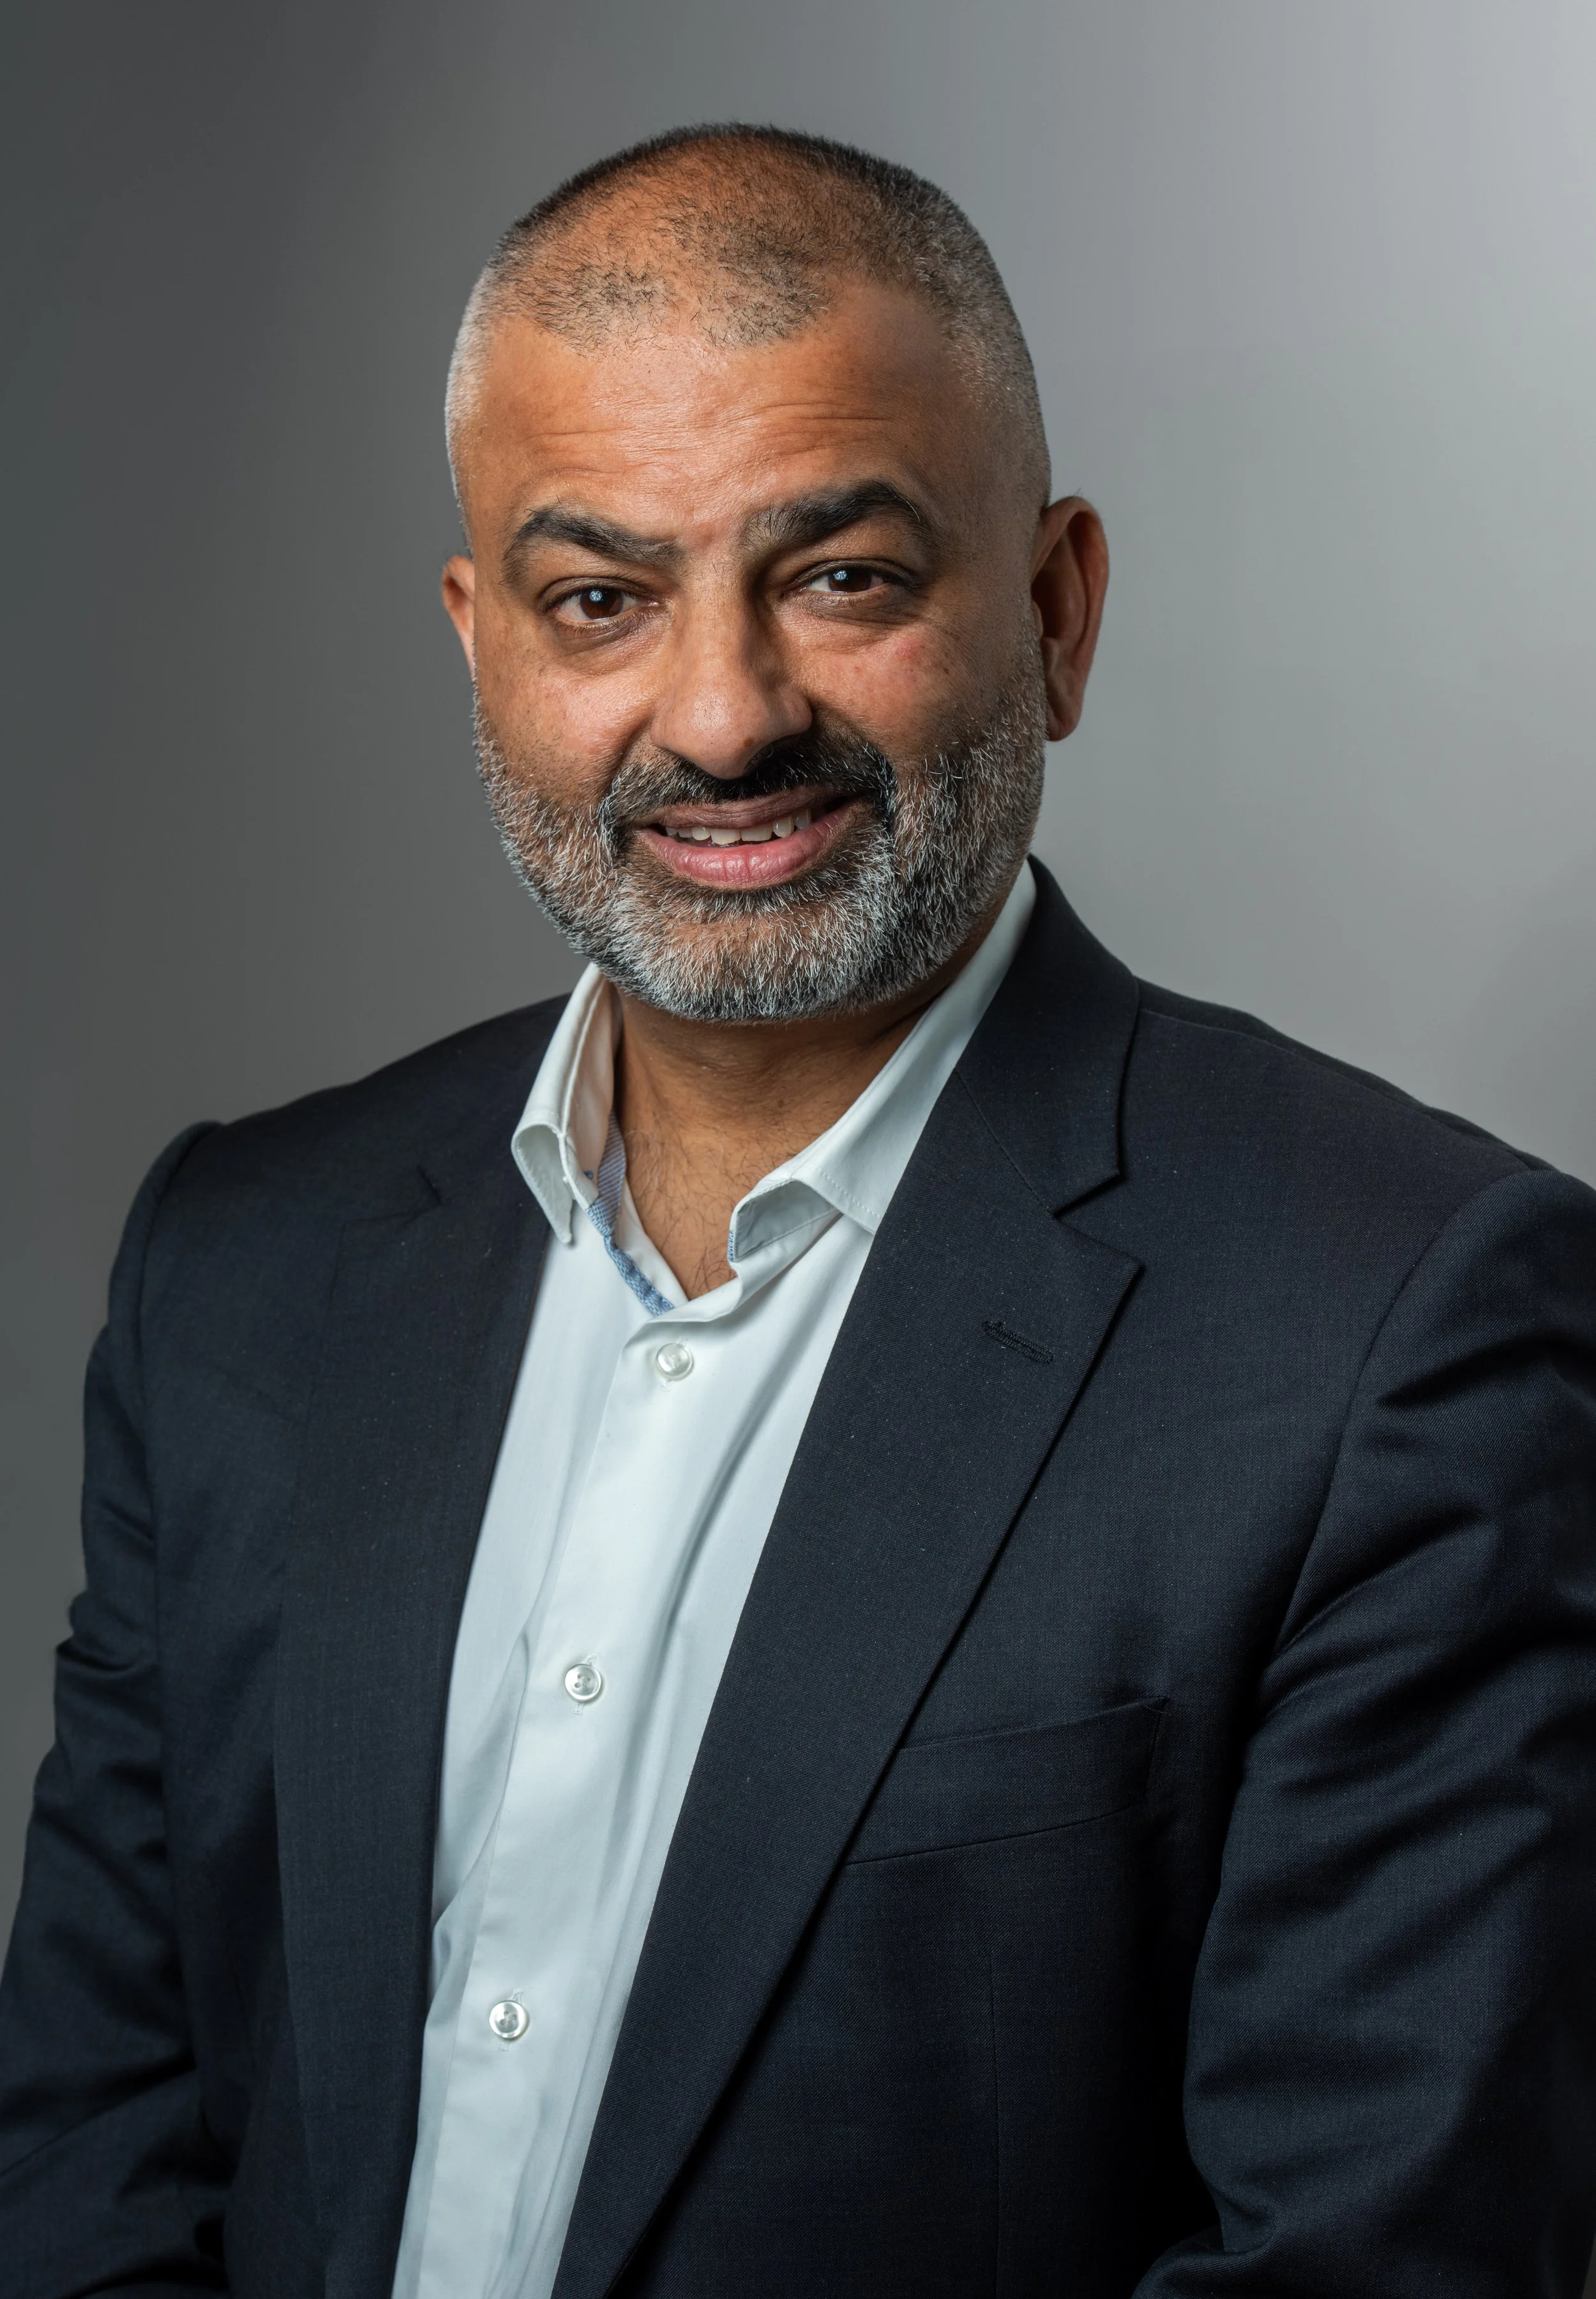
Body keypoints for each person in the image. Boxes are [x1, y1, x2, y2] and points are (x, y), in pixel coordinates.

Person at [2, 122, 1595, 2299]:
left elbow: (1372, 2261)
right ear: (480, 646)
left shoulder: (1398, 1324)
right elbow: (95, 2139)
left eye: (840, 576)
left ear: (1054, 609)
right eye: (599, 599)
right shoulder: (240, 1263)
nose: (726, 713)